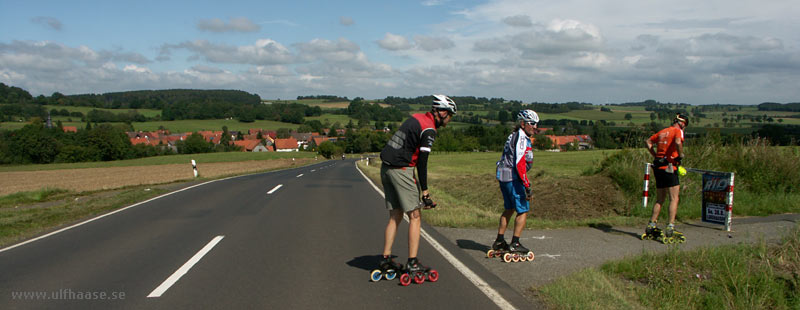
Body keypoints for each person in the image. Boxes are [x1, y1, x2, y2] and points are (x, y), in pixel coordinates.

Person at [378, 94, 456, 274]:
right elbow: (422, 162)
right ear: (442, 112)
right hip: (402, 169)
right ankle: (413, 262)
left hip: (386, 168)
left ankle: (386, 259)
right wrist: (426, 192)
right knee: (415, 216)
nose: (450, 119)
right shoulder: (429, 129)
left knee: (395, 215)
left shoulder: (416, 118)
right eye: (450, 115)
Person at [492, 109, 538, 260]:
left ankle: (499, 241)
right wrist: (526, 183)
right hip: (513, 177)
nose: (535, 127)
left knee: (509, 209)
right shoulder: (522, 138)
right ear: (523, 123)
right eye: (532, 124)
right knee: (523, 210)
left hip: (503, 176)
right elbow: (519, 163)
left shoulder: (513, 134)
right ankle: (515, 243)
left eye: (536, 124)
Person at [645, 113, 689, 241]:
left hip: (658, 166)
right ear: (682, 123)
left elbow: (648, 142)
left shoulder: (663, 131)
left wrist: (654, 155)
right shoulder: (678, 131)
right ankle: (670, 227)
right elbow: (677, 142)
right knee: (674, 198)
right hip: (670, 167)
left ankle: (651, 225)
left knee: (660, 199)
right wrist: (680, 155)